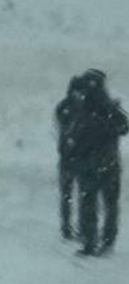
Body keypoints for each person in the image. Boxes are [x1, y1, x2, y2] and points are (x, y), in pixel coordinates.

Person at [68, 70, 128, 256]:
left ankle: (90, 242)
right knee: (110, 204)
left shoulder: (83, 109)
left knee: (89, 204)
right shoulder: (110, 108)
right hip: (109, 163)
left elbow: (74, 137)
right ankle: (108, 240)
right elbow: (125, 126)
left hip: (89, 165)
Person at [55, 76, 83, 240]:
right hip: (71, 157)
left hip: (73, 157)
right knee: (70, 195)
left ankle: (73, 226)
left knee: (74, 195)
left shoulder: (65, 107)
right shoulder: (68, 107)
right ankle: (67, 227)